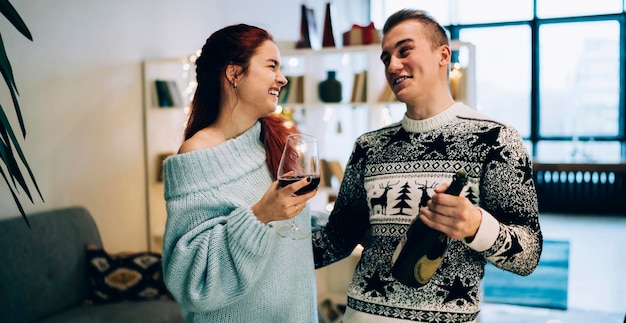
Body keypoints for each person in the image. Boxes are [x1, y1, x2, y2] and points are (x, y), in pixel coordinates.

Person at [312, 9, 543, 323]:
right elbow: (337, 239)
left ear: (443, 55)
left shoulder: (496, 140)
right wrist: (262, 244)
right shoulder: (369, 146)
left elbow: (528, 256)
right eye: (385, 58)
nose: (393, 65)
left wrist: (477, 226)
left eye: (405, 51)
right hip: (360, 316)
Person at [160, 24, 319, 322]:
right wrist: (259, 216)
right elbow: (190, 282)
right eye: (272, 66)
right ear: (234, 73)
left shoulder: (274, 141)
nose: (282, 79)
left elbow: (294, 233)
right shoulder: (196, 155)